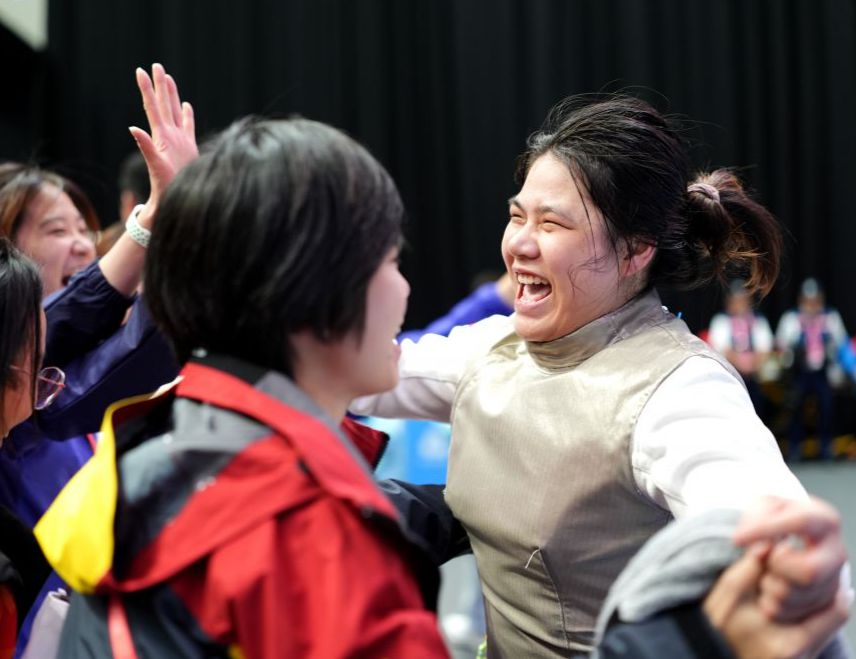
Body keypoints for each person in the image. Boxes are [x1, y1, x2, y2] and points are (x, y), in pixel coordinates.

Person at [352, 94, 849, 657]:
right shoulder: (491, 348)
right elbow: (355, 374)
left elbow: (787, 553)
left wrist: (790, 567)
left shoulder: (678, 388)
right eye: (516, 215)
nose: (518, 243)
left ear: (635, 250)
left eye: (552, 223)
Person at [35, 109, 451, 656]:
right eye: (391, 260)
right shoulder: (321, 546)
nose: (403, 287)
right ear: (317, 288)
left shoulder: (134, 460)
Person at [776, 278, 849, 461]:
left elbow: (841, 344)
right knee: (795, 406)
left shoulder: (830, 317)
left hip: (822, 373)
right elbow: (781, 344)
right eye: (808, 301)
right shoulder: (792, 318)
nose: (812, 306)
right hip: (800, 372)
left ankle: (826, 447)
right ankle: (794, 448)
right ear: (801, 301)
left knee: (827, 405)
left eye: (816, 301)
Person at [708, 278, 775, 416]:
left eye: (743, 300)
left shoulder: (758, 321)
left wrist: (752, 365)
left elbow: (764, 348)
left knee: (756, 409)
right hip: (730, 377)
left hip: (753, 376)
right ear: (729, 302)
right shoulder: (721, 321)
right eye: (736, 300)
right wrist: (741, 365)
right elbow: (721, 348)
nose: (740, 304)